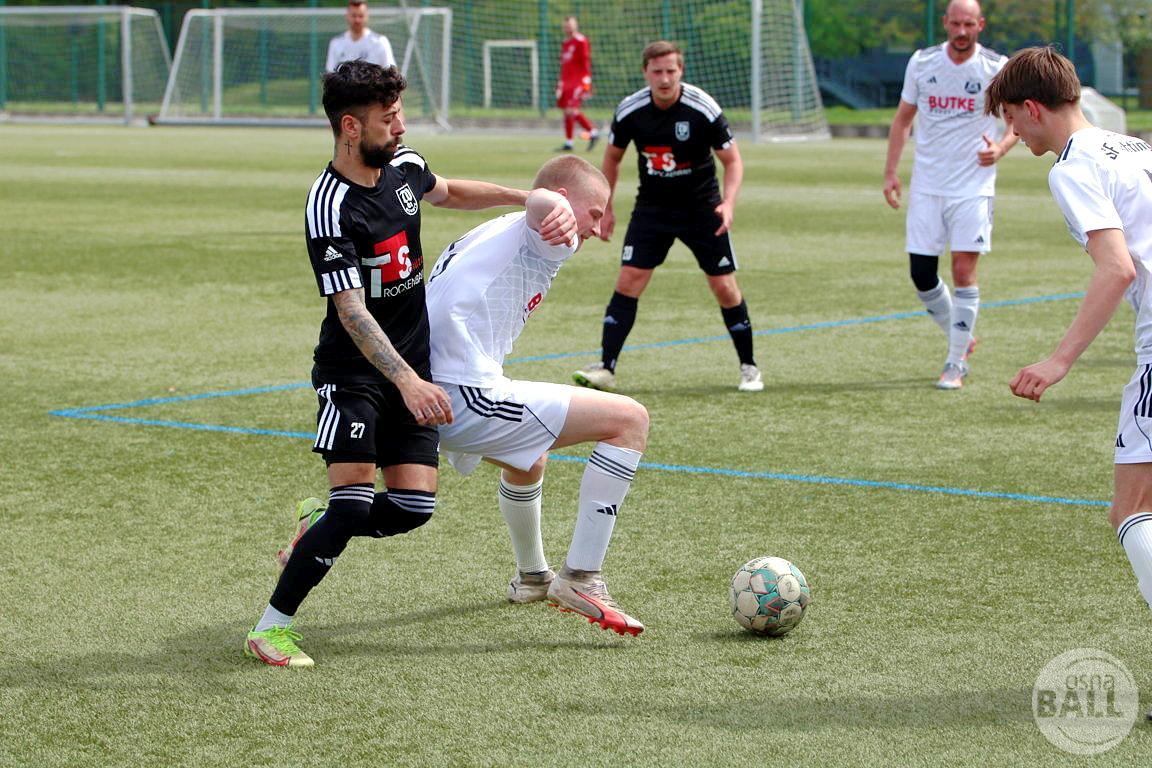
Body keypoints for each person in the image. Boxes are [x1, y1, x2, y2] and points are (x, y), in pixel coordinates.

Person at [243, 60, 573, 668]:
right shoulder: (330, 206)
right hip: (355, 374)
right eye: (387, 118)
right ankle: (271, 628)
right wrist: (407, 380)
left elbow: (445, 190)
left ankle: (317, 523)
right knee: (350, 503)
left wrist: (527, 198)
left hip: (411, 367)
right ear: (349, 126)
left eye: (400, 114)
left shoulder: (405, 166)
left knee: (413, 510)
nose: (400, 127)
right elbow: (349, 311)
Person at [986, 46, 1152, 720]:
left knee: (1131, 510)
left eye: (1010, 121)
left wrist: (1058, 361)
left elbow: (1117, 268)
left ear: (1032, 108)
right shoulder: (1132, 144)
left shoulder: (1074, 166)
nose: (1011, 136)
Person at [426, 155, 648, 636]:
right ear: (568, 203)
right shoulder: (552, 230)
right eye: (597, 211)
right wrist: (548, 203)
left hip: (432, 386)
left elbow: (540, 202)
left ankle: (532, 577)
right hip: (459, 391)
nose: (599, 225)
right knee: (629, 420)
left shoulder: (496, 228)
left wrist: (540, 202)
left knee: (528, 458)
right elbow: (547, 200)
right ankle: (582, 577)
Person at [573, 40, 763, 394]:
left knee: (723, 286)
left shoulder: (702, 108)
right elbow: (612, 159)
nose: (664, 78)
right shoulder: (630, 110)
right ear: (645, 72)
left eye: (671, 71)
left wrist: (730, 203)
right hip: (653, 209)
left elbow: (733, 161)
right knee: (629, 280)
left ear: (681, 71)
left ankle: (749, 366)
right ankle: (606, 366)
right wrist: (607, 207)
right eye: (657, 71)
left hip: (703, 209)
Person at [883, 0, 1018, 390]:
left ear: (981, 25)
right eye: (955, 24)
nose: (961, 32)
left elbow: (1015, 122)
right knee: (921, 275)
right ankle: (962, 335)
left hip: (973, 186)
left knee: (962, 271)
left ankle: (955, 362)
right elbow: (903, 119)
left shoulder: (996, 67)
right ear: (945, 23)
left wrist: (1001, 149)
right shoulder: (923, 63)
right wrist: (891, 172)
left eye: (969, 25)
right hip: (927, 185)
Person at [555, 16, 598, 153]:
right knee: (567, 112)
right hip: (567, 82)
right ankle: (569, 142)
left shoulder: (581, 41)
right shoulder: (565, 43)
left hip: (579, 81)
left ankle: (593, 132)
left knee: (571, 110)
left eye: (571, 25)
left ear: (576, 26)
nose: (568, 28)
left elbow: (586, 62)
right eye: (566, 26)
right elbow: (564, 65)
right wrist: (560, 83)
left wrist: (587, 82)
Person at [325, 0, 395, 73]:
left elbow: (390, 72)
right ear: (347, 16)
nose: (357, 20)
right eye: (354, 15)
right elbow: (331, 72)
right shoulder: (336, 43)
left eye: (361, 16)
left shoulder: (380, 42)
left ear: (367, 16)